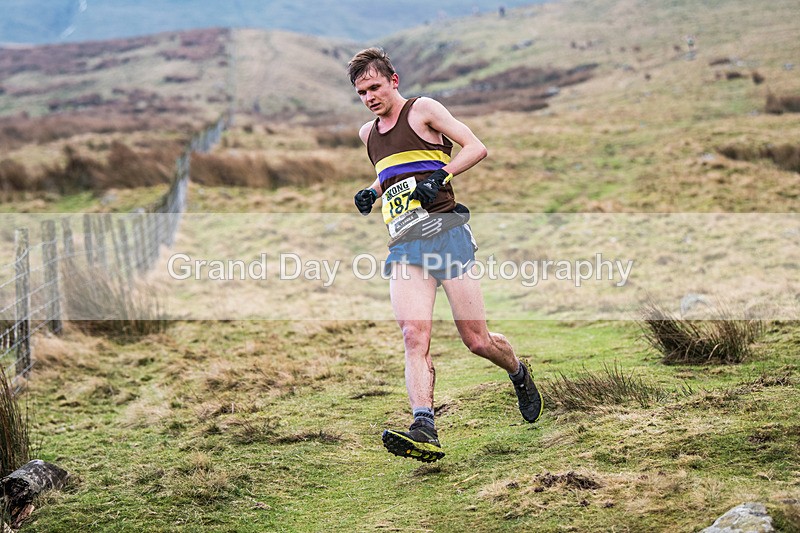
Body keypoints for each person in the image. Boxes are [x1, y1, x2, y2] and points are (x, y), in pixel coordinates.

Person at [347, 47, 542, 463]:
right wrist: (373, 192)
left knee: (477, 341)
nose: (369, 97)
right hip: (405, 245)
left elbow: (475, 147)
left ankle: (517, 372)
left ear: (394, 80)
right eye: (361, 92)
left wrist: (442, 176)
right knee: (413, 336)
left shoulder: (423, 110)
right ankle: (424, 425)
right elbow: (395, 174)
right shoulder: (368, 134)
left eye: (375, 87)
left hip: (447, 235)